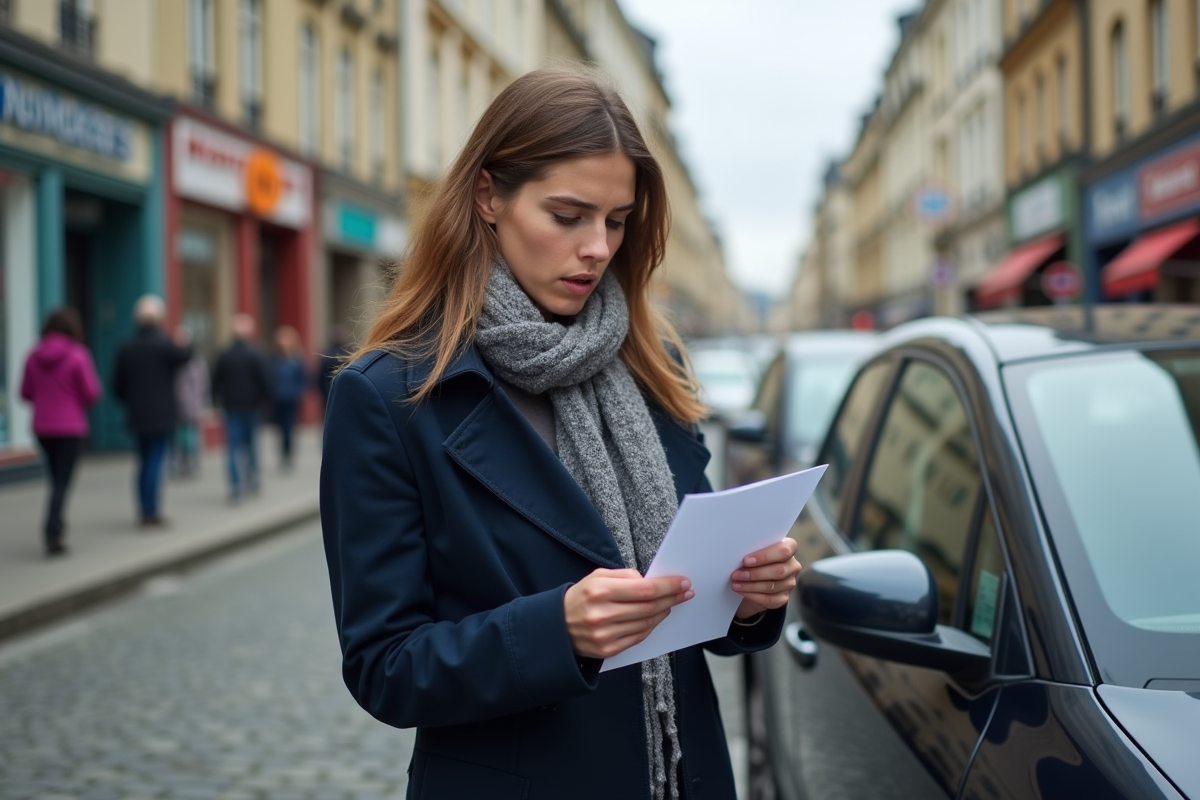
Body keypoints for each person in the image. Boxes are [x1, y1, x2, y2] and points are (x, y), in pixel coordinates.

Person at [320, 68, 802, 800]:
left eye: (616, 220)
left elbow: (689, 587)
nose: (598, 248)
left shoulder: (651, 364)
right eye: (568, 215)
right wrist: (556, 632)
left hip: (681, 775)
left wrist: (749, 596)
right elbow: (385, 665)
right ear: (489, 197)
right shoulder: (391, 395)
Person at [19, 307, 101, 556]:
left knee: (55, 479)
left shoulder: (33, 355)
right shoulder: (78, 355)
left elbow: (24, 392)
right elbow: (91, 393)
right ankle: (52, 529)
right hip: (69, 427)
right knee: (62, 482)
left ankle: (57, 525)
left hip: (42, 427)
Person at [113, 295, 192, 528]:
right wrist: (184, 340)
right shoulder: (164, 345)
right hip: (162, 416)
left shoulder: (126, 347)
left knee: (143, 462)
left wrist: (132, 402)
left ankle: (144, 508)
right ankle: (151, 510)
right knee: (155, 463)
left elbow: (117, 386)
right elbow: (186, 356)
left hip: (137, 415)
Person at [212, 314, 272, 502]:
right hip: (251, 406)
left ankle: (235, 486)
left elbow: (215, 381)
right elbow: (264, 382)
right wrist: (265, 401)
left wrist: (217, 401)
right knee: (252, 445)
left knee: (233, 447)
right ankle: (252, 479)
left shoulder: (224, 354)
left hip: (231, 406)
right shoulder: (255, 354)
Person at [171, 326, 209, 478]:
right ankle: (179, 463)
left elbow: (202, 382)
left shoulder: (195, 358)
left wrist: (200, 399)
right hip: (175, 403)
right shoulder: (171, 357)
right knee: (177, 436)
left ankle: (191, 462)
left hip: (191, 403)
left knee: (191, 434)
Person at [269, 325, 307, 470]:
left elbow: (303, 378)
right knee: (279, 428)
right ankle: (282, 454)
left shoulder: (296, 359)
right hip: (277, 399)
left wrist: (298, 391)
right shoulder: (274, 359)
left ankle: (289, 454)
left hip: (291, 399)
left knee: (289, 427)